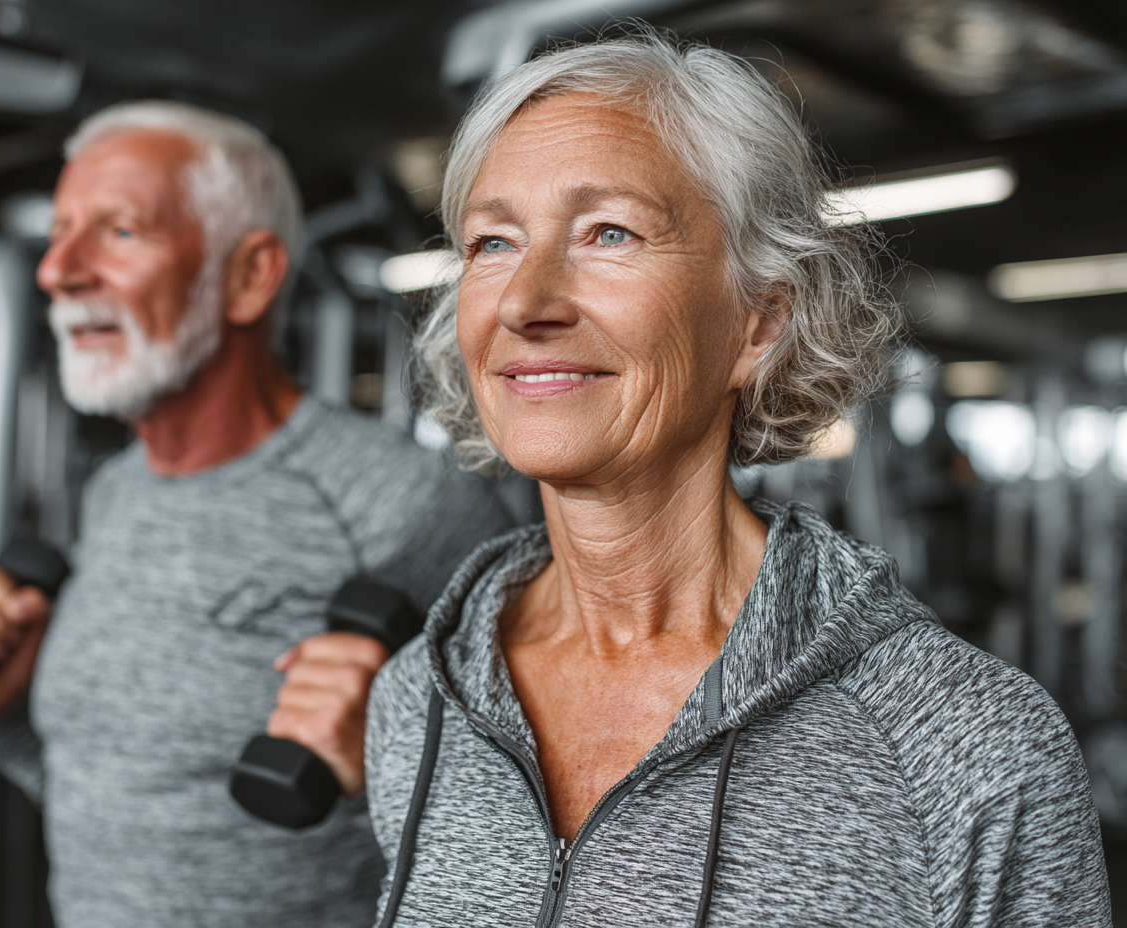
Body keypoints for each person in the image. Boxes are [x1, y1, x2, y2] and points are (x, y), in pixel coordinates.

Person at [364, 34, 1111, 927]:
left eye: (610, 232)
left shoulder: (968, 747)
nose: (526, 302)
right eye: (494, 241)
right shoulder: (417, 700)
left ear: (758, 321)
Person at [0, 101, 510, 928]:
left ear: (248, 276)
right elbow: (125, 808)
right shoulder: (117, 492)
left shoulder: (404, 506)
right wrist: (5, 712)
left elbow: (546, 829)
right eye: (60, 233)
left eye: (119, 232)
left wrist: (401, 760)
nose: (57, 270)